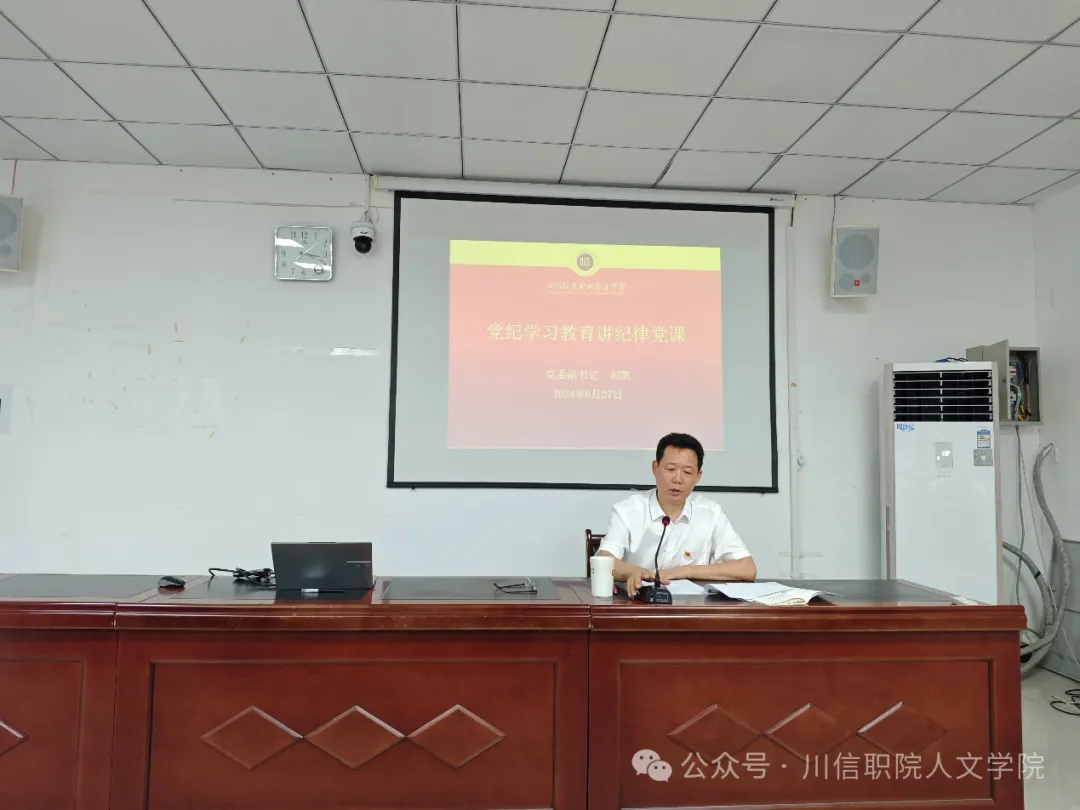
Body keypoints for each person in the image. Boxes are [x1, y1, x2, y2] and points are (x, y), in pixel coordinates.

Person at [596, 432, 756, 598]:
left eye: (687, 472)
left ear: (698, 477)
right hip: (639, 605)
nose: (678, 479)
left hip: (692, 608)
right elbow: (604, 560)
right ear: (655, 468)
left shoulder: (711, 513)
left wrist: (682, 572)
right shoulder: (628, 511)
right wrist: (639, 573)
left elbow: (747, 568)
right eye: (671, 469)